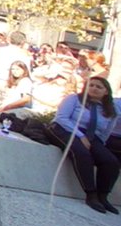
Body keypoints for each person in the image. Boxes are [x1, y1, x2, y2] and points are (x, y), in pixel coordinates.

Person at [49, 77, 119, 214]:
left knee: (110, 161)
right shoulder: (74, 99)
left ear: (106, 91)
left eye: (98, 87)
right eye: (91, 85)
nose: (93, 88)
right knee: (82, 153)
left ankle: (103, 196)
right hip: (66, 129)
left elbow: (106, 131)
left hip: (92, 136)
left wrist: (99, 147)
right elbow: (61, 118)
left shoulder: (110, 110)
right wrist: (80, 136)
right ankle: (90, 194)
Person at [0, 31, 30, 117]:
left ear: (9, 39)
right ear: (23, 42)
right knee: (6, 109)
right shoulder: (24, 56)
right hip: (11, 82)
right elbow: (26, 72)